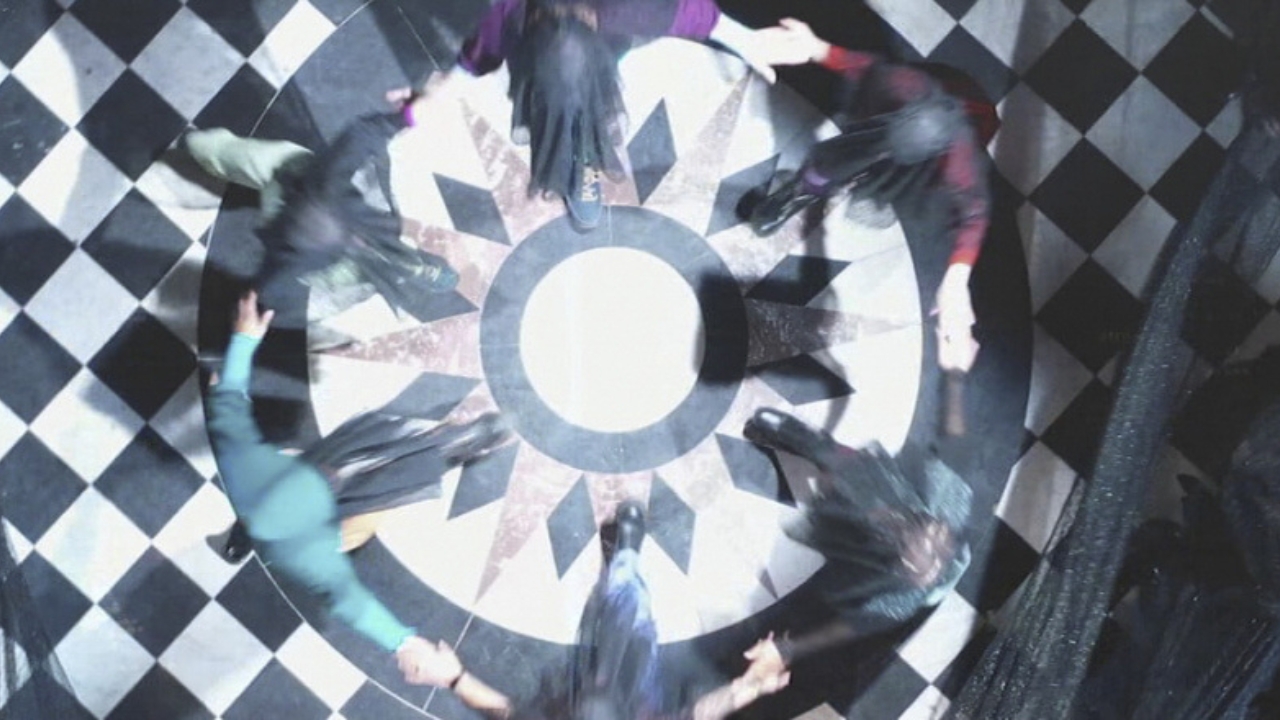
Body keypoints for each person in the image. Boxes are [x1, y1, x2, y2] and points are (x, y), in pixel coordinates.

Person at [206, 291, 509, 688]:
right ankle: (448, 449)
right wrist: (405, 644)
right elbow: (352, 602)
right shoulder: (309, 551)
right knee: (383, 488)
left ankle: (241, 536)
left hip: (289, 491)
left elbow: (228, 403)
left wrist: (244, 343)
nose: (333, 476)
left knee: (358, 474)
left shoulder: (247, 469)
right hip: (338, 509)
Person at [745, 19, 998, 374]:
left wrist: (955, 283)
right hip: (882, 130)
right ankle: (798, 193)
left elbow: (975, 213)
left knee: (876, 179)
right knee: (830, 165)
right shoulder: (902, 85)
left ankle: (879, 166)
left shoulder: (959, 155)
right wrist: (816, 47)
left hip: (916, 157)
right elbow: (864, 67)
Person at [451, 0, 813, 230]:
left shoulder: (630, 9)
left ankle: (585, 150)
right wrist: (449, 82)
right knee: (561, 100)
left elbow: (683, 10)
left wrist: (746, 39)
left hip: (597, 43)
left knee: (589, 92)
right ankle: (572, 163)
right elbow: (480, 50)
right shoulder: (507, 14)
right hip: (544, 63)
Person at [439, 501, 791, 719]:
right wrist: (744, 690)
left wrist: (455, 679)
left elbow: (510, 713)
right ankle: (626, 560)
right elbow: (692, 715)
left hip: (579, 703)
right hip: (634, 697)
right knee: (630, 630)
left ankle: (624, 566)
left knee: (604, 655)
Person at [738, 408, 974, 681]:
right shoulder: (951, 502)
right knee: (852, 469)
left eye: (922, 557)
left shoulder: (901, 597)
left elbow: (849, 627)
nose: (929, 540)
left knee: (841, 503)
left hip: (867, 539)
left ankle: (819, 463)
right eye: (933, 535)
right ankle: (816, 445)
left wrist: (790, 648)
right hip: (894, 504)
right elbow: (950, 449)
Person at [184, 97, 458, 322]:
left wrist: (402, 118)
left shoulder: (330, 202)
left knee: (215, 151)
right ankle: (202, 149)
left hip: (285, 192)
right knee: (215, 151)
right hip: (288, 177)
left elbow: (358, 138)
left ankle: (205, 150)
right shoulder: (343, 209)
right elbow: (357, 144)